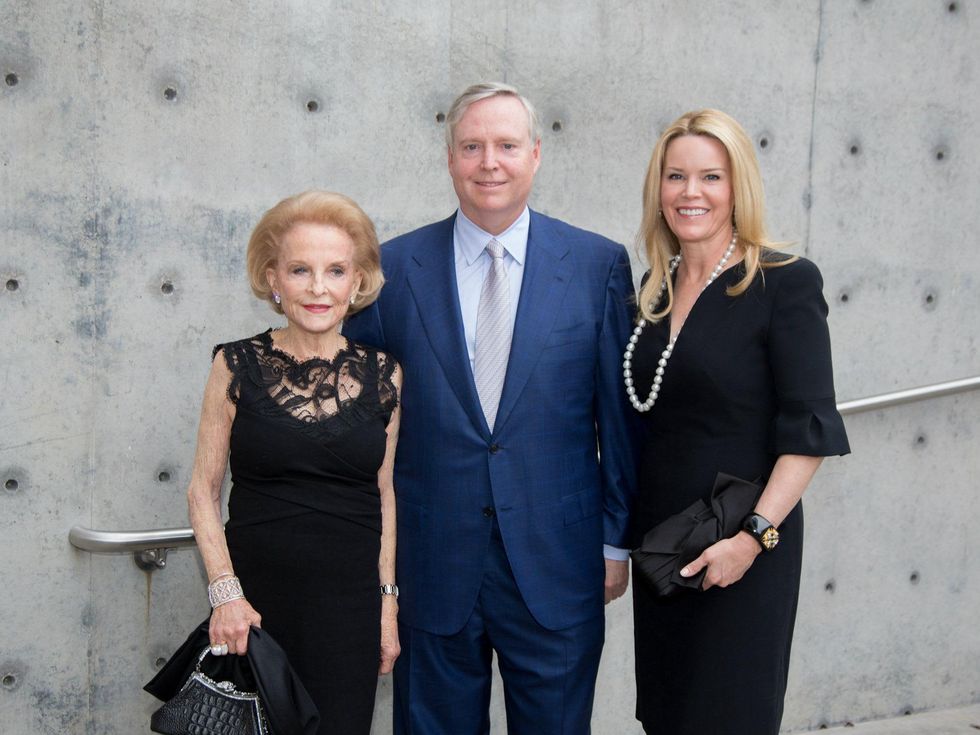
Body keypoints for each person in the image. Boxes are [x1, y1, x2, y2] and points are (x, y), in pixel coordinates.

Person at [344, 82, 638, 734]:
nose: (489, 162)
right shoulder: (390, 271)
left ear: (535, 154)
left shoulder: (598, 265)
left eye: (506, 145)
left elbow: (618, 421)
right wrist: (374, 560)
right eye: (472, 146)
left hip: (558, 561)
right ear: (449, 157)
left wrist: (615, 540)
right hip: (431, 562)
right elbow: (361, 432)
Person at [626, 109, 851, 734]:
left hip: (739, 541)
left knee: (727, 713)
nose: (690, 193)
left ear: (737, 187)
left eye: (710, 177)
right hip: (665, 545)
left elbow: (809, 431)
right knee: (668, 713)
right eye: (676, 176)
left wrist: (753, 539)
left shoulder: (785, 283)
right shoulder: (654, 287)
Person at [186, 190, 401, 734]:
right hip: (254, 610)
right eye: (300, 270)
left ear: (357, 282)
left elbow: (384, 495)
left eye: (335, 270)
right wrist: (226, 595)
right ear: (273, 278)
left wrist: (387, 604)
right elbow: (202, 491)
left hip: (348, 614)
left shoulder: (385, 375)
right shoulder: (234, 364)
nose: (318, 287)